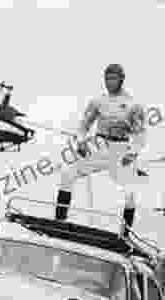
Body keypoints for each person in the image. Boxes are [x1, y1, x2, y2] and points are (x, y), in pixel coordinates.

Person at [55, 64, 147, 235]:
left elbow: (141, 134)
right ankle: (59, 220)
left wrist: (133, 153)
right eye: (107, 78)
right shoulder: (98, 102)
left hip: (121, 148)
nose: (109, 82)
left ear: (121, 80)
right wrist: (81, 142)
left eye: (113, 78)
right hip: (99, 145)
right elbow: (83, 126)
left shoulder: (133, 104)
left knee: (130, 194)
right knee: (67, 173)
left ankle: (125, 234)